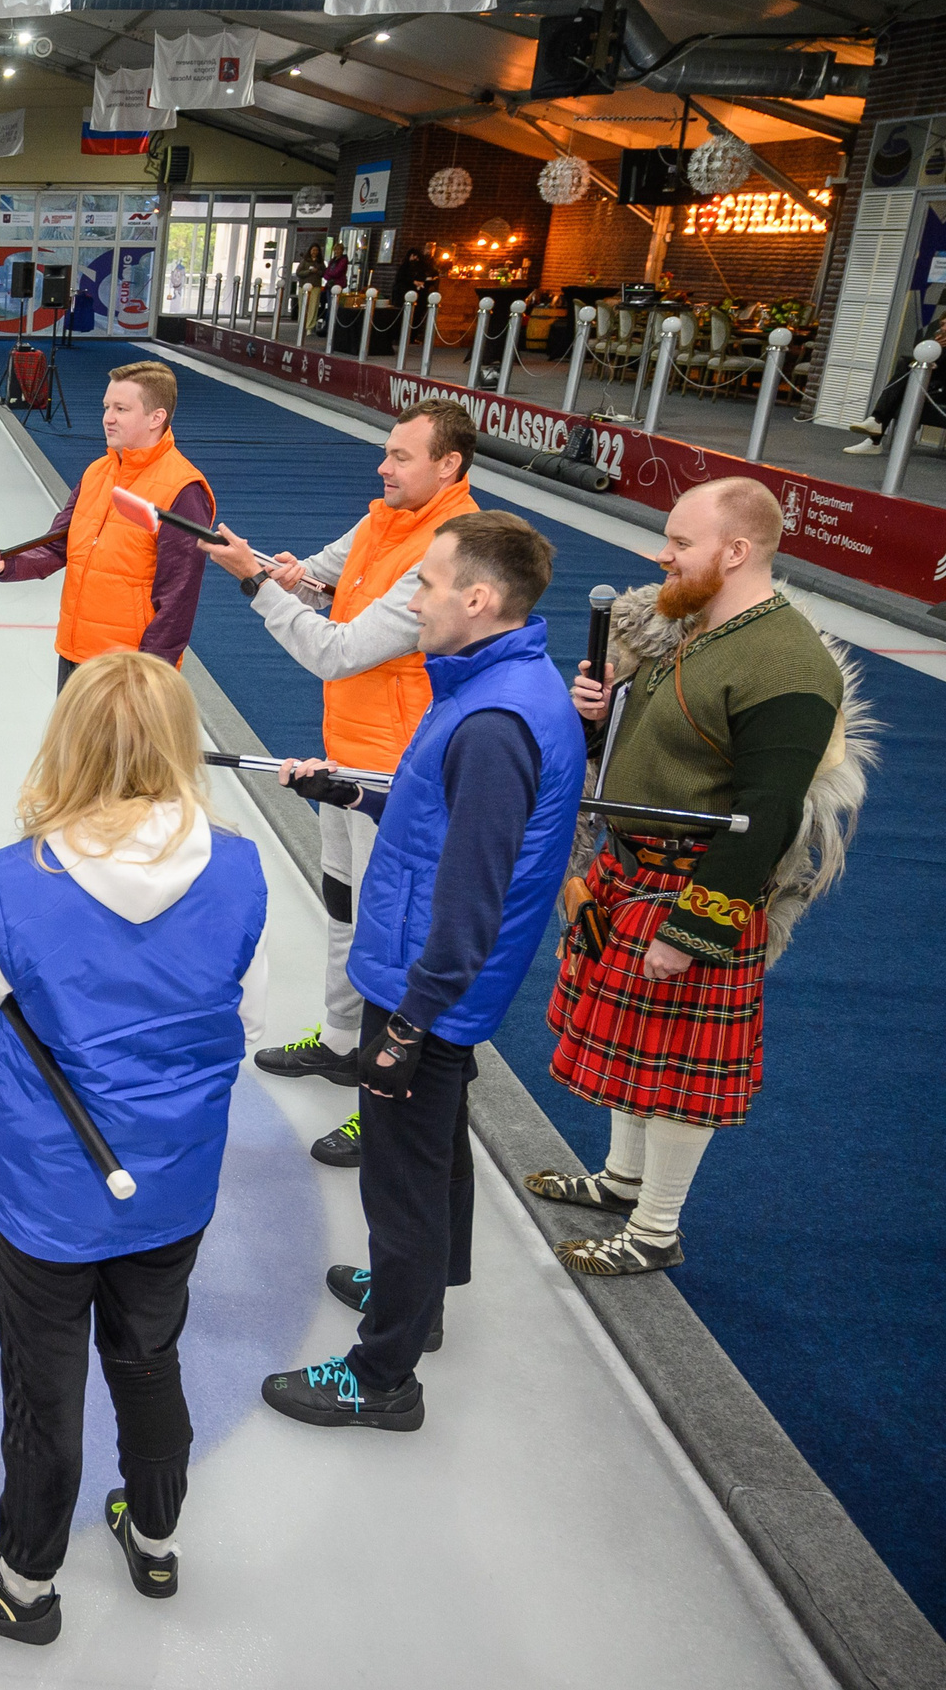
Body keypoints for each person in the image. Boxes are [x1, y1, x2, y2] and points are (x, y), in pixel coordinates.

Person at [0, 652, 267, 1643]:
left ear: (69, 744)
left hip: (47, 1195)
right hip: (173, 1180)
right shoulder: (239, 868)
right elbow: (248, 1015)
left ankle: (22, 1584)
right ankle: (154, 1535)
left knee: (44, 1388)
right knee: (149, 1357)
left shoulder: (15, 883)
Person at [260, 511, 585, 1431]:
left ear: (478, 599)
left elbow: (476, 889)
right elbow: (439, 816)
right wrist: (350, 789)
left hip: (422, 986)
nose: (415, 601)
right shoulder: (498, 686)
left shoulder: (494, 722)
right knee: (435, 1151)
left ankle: (383, 1374)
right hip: (427, 979)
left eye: (428, 585)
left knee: (399, 1180)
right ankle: (422, 1294)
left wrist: (410, 1020)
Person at [531, 477, 855, 1275]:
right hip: (632, 868)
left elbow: (768, 815)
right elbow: (659, 744)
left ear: (736, 551)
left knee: (677, 1070)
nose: (662, 555)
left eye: (680, 542)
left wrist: (693, 930)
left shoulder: (790, 663)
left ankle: (655, 1229)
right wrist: (598, 720)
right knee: (640, 1050)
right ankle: (622, 1181)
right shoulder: (693, 625)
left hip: (691, 887)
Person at [203, 398, 481, 1166]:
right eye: (387, 451)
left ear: (448, 465)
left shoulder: (452, 547)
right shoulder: (382, 520)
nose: (382, 466)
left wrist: (256, 585)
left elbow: (340, 650)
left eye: (400, 456)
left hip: (400, 773)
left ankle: (387, 1099)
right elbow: (316, 580)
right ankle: (340, 1041)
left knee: (392, 937)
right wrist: (275, 571)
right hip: (349, 752)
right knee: (343, 906)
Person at [0, 360, 212, 689]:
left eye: (121, 409)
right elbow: (56, 546)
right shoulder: (97, 473)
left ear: (156, 418)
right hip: (75, 653)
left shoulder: (183, 490)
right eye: (106, 407)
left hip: (128, 669)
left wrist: (151, 673)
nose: (107, 418)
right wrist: (3, 564)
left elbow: (178, 598)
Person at [839, 307, 946, 456]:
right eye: (942, 324)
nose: (943, 328)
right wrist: (935, 348)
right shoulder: (938, 345)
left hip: (942, 391)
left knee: (902, 380)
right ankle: (875, 428)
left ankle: (875, 434)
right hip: (931, 387)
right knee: (906, 366)